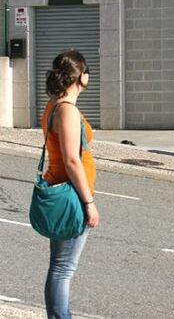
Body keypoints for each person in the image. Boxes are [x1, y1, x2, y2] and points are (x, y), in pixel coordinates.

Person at [41, 50, 99, 319]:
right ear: (81, 77)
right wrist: (89, 202)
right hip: (71, 196)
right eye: (88, 71)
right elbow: (71, 160)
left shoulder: (55, 104)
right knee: (63, 269)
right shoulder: (66, 110)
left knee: (59, 266)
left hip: (62, 190)